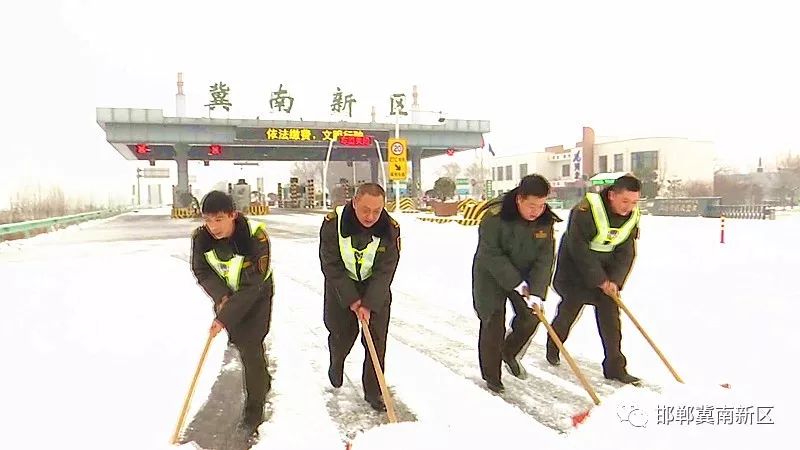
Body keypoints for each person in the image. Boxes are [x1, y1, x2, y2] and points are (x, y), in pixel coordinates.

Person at [190, 190, 275, 434]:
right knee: (241, 343)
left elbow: (253, 285)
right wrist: (221, 297)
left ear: (232, 216)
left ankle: (253, 412)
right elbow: (201, 270)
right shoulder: (200, 238)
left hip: (257, 295)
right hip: (226, 295)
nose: (212, 227)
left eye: (218, 220)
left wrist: (223, 318)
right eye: (207, 220)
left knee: (250, 345)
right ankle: (262, 379)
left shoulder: (255, 237)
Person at [546, 174, 642, 384]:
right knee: (569, 312)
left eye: (634, 202)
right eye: (625, 201)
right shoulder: (586, 210)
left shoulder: (632, 217)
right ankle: (554, 344)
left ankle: (615, 367)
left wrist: (615, 281)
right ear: (612, 195)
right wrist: (599, 279)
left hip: (607, 273)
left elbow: (627, 252)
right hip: (574, 270)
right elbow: (578, 249)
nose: (629, 207)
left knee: (611, 319)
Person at [471, 174, 562, 393]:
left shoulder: (545, 221)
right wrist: (517, 283)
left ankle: (509, 352)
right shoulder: (494, 217)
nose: (536, 211)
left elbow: (545, 259)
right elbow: (491, 254)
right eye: (532, 205)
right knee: (493, 322)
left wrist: (537, 292)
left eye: (541, 205)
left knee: (532, 317)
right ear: (519, 199)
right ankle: (492, 376)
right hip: (491, 275)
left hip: (526, 275)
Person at [319, 182, 401, 411]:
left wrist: (369, 303)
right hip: (340, 287)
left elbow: (386, 270)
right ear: (354, 202)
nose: (371, 216)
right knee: (342, 335)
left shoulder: (390, 228)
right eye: (365, 209)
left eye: (377, 211)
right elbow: (330, 264)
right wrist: (353, 300)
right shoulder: (332, 224)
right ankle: (337, 361)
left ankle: (374, 392)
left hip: (375, 289)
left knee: (376, 342)